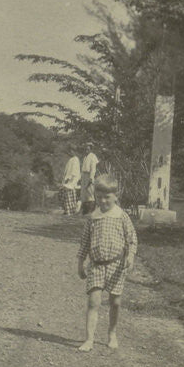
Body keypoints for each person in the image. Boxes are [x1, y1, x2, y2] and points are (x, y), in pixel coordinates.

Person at [76, 174, 137, 352]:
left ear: (116, 196)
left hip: (116, 266)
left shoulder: (121, 216)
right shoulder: (93, 218)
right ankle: (89, 339)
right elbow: (85, 242)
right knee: (94, 302)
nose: (103, 201)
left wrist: (130, 256)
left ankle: (112, 333)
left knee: (115, 302)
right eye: (99, 197)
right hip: (96, 265)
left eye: (107, 197)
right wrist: (80, 262)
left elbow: (132, 238)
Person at [58, 144, 81, 216]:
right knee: (63, 194)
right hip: (67, 180)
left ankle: (70, 211)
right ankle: (66, 210)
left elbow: (74, 171)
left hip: (71, 180)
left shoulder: (76, 159)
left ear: (74, 151)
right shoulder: (71, 159)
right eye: (69, 151)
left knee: (69, 195)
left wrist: (69, 179)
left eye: (71, 151)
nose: (70, 152)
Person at [79, 141, 99, 215]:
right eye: (85, 149)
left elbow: (93, 168)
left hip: (89, 175)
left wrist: (91, 177)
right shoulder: (85, 157)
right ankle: (85, 210)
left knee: (90, 192)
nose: (86, 150)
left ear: (91, 149)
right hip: (84, 175)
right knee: (84, 193)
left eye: (88, 149)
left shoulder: (93, 156)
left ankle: (91, 210)